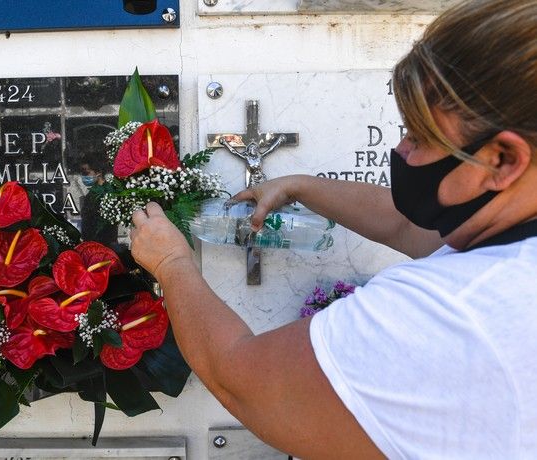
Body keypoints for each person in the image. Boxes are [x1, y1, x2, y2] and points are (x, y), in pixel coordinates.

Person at [129, 0, 537, 457]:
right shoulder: (511, 249)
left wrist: (172, 262)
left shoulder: (451, 313)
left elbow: (240, 380)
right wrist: (300, 185)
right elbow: (405, 227)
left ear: (502, 160)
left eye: (420, 138)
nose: (401, 151)